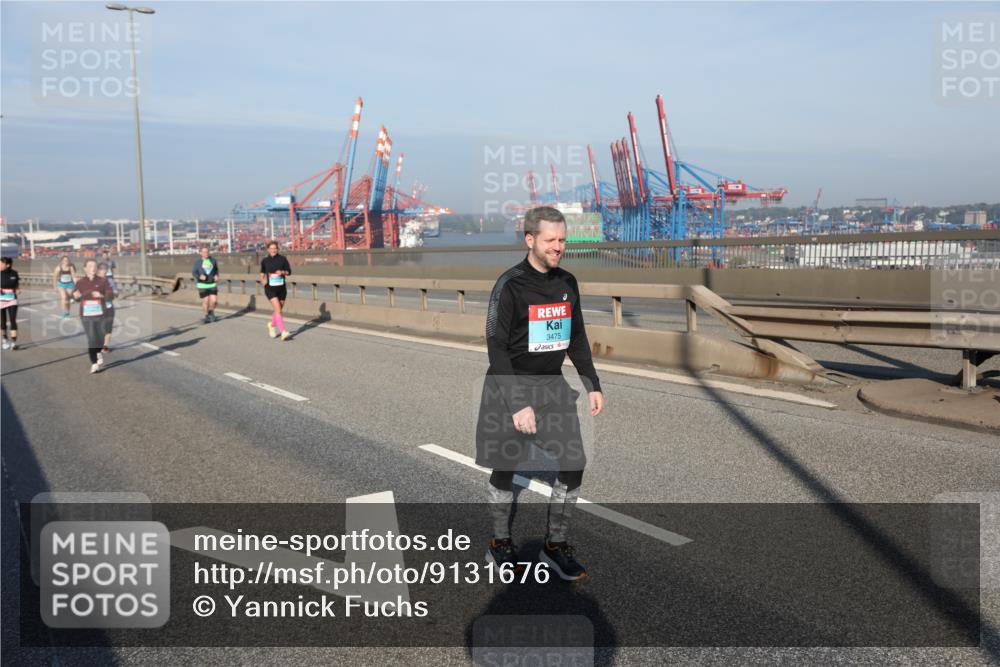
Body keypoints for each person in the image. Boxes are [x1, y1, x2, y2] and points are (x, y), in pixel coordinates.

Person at [476, 206, 605, 581]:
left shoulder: (568, 282)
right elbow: (496, 347)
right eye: (551, 240)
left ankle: (555, 544)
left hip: (552, 389)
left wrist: (591, 381)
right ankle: (500, 542)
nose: (558, 247)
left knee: (573, 463)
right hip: (508, 387)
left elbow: (576, 337)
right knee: (506, 468)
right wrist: (517, 403)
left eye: (563, 240)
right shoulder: (509, 285)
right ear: (530, 239)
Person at [72, 259, 114, 374]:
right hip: (86, 315)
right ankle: (94, 363)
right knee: (91, 338)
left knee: (100, 339)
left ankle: (98, 350)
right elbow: (76, 297)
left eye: (95, 265)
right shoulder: (80, 282)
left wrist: (102, 295)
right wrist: (76, 296)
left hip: (101, 314)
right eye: (90, 266)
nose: (93, 268)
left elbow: (111, 295)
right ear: (85, 268)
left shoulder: (103, 281)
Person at [259, 240, 291, 341]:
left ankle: (272, 325)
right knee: (278, 309)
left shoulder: (283, 259)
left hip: (281, 288)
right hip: (270, 288)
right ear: (268, 250)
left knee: (278, 310)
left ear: (278, 249)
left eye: (275, 248)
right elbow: (262, 273)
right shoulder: (265, 261)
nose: (273, 250)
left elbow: (289, 272)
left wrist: (282, 272)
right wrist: (262, 280)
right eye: (271, 248)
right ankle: (283, 332)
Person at [193, 246, 220, 323]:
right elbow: (194, 272)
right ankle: (206, 315)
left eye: (207, 252)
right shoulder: (197, 262)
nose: (206, 253)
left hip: (212, 283)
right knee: (206, 301)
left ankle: (211, 311)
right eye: (204, 252)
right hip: (202, 284)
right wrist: (199, 276)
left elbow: (216, 270)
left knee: (214, 301)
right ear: (200, 253)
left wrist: (217, 276)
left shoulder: (213, 260)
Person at [97, 262, 118, 354]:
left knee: (108, 327)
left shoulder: (110, 281)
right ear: (98, 271)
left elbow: (116, 293)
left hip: (109, 307)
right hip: (97, 308)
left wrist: (112, 294)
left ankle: (105, 346)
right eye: (103, 271)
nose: (105, 274)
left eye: (106, 272)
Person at [1, 257, 21, 350]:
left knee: (13, 320)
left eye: (1, 264)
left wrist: (17, 290)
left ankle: (13, 342)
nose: (0, 265)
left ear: (7, 265)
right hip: (1, 300)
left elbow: (16, 284)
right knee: (3, 321)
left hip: (12, 299)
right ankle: (5, 340)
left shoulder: (14, 273)